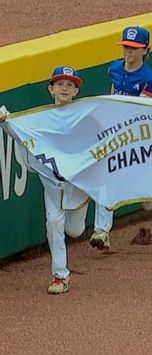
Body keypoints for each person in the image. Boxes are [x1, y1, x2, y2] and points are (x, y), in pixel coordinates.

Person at [0, 67, 89, 294]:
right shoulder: (41, 119)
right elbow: (22, 131)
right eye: (60, 84)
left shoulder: (83, 116)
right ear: (51, 89)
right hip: (52, 185)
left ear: (77, 90)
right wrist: (4, 120)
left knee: (75, 231)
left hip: (77, 186)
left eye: (70, 85)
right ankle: (61, 276)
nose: (64, 88)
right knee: (54, 223)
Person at [90, 26, 152, 250]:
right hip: (115, 134)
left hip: (140, 136)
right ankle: (102, 231)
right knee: (105, 176)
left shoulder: (150, 79)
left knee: (148, 204)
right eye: (126, 47)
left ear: (145, 50)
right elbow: (113, 93)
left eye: (134, 48)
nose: (128, 51)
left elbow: (142, 114)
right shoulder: (114, 68)